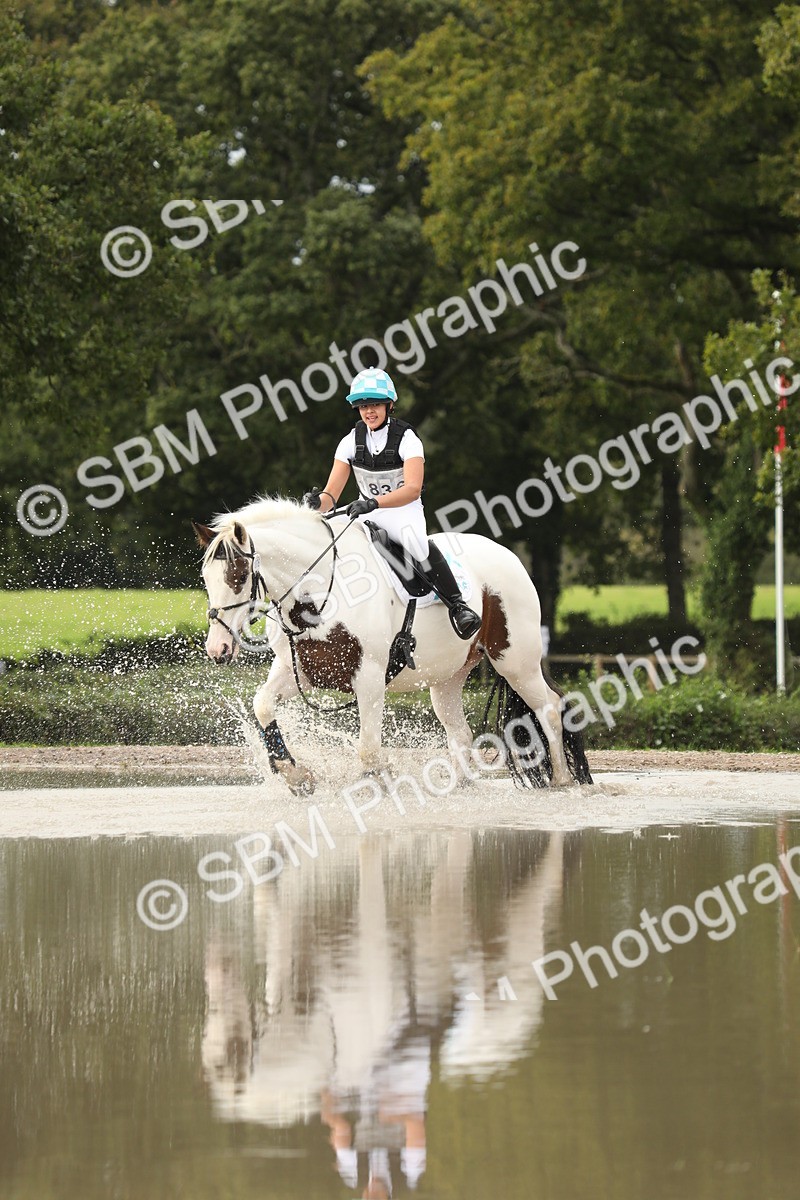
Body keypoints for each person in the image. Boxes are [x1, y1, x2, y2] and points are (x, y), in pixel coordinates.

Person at [303, 368, 482, 639]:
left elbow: (411, 489)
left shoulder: (408, 439)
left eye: (374, 405)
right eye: (363, 406)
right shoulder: (350, 442)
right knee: (328, 535)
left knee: (416, 542)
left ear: (388, 405)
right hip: (366, 512)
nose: (369, 411)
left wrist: (373, 502)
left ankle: (458, 605)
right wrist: (316, 503)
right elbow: (331, 495)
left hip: (401, 511)